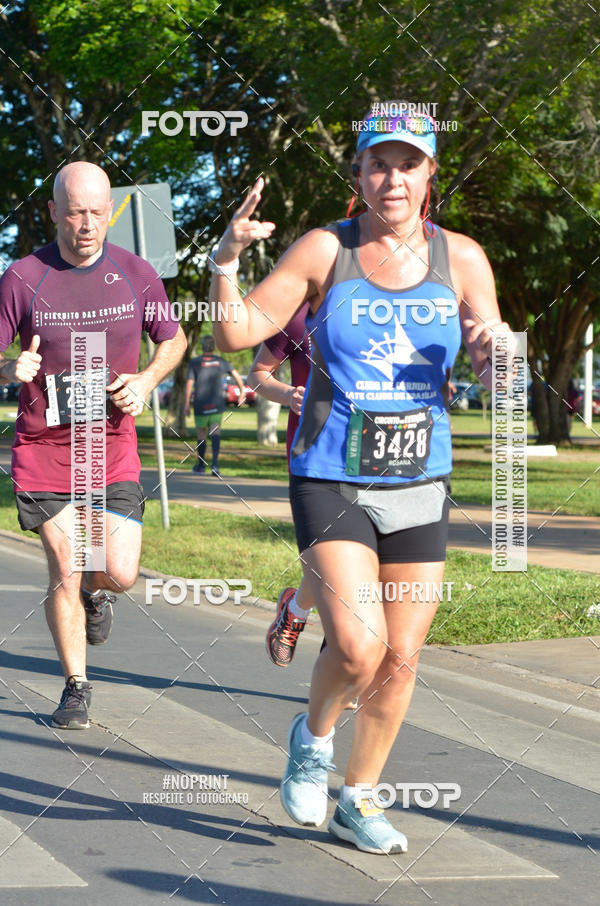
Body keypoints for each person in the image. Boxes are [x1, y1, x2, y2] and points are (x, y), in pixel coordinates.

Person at [210, 103, 513, 854]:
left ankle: (362, 798)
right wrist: (223, 261)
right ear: (359, 172)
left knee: (402, 657)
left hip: (421, 478)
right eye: (379, 162)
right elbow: (237, 333)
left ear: (430, 175)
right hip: (330, 472)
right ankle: (312, 742)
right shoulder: (325, 250)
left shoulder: (464, 259)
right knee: (356, 647)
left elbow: (496, 380)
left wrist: (497, 349)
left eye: (409, 163)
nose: (393, 178)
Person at [0, 161, 186, 729]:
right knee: (66, 561)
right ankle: (76, 688)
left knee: (119, 571)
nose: (86, 223)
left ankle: (97, 594)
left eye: (96, 212)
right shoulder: (22, 277)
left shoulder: (135, 273)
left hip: (112, 447)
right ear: (53, 211)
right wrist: (11, 367)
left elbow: (172, 340)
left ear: (112, 212)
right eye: (74, 211)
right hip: (43, 447)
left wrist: (147, 381)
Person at [248, 305, 314, 666]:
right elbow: (258, 373)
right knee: (324, 564)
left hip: (375, 458)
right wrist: (289, 395)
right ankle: (296, 610)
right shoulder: (295, 316)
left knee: (369, 569)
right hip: (312, 456)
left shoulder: (387, 307)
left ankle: (343, 661)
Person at [184, 334, 245, 475]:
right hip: (216, 404)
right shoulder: (221, 361)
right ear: (214, 346)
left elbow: (189, 383)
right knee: (215, 432)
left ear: (202, 346)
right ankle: (215, 466)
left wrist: (186, 403)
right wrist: (242, 391)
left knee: (201, 434)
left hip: (200, 403)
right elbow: (236, 375)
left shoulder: (195, 362)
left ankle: (200, 466)